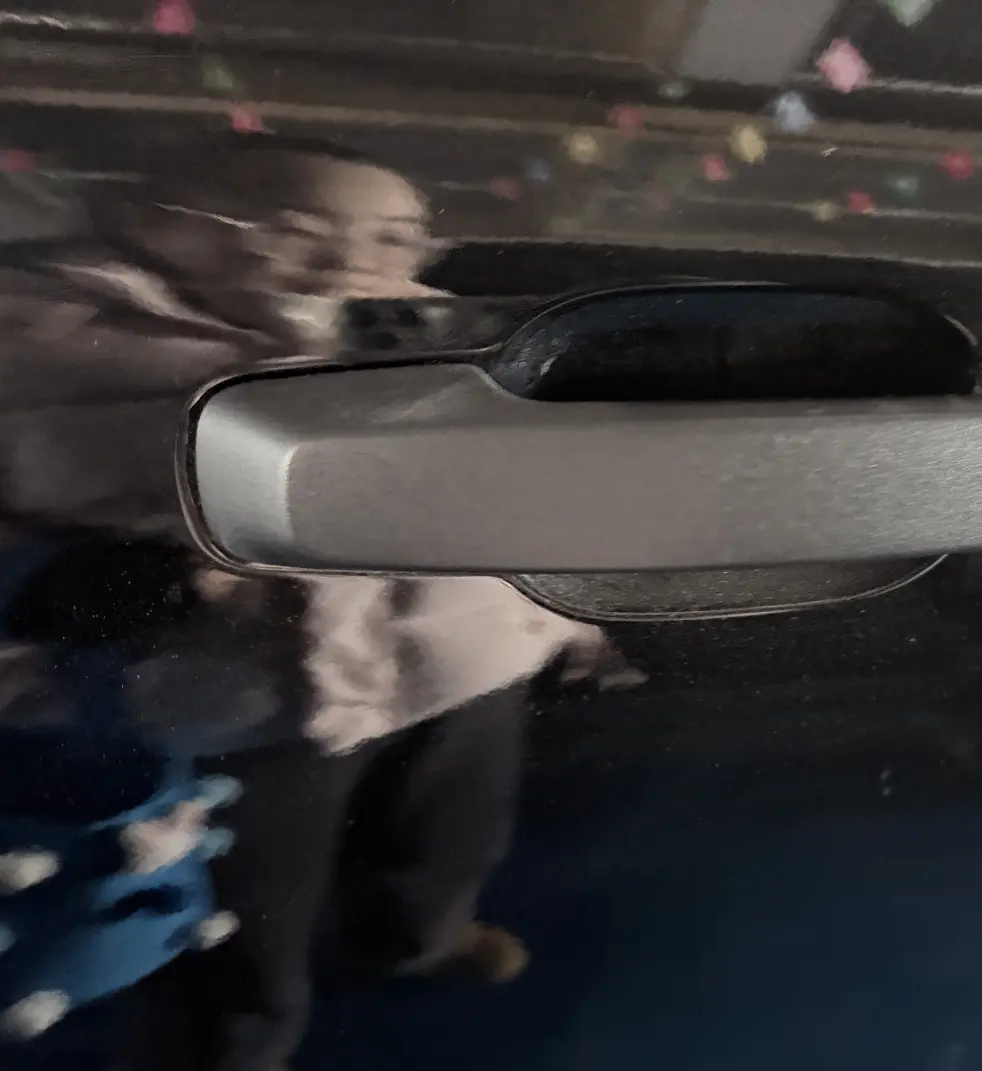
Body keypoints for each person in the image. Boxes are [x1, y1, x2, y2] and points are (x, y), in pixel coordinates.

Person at [0, 131, 642, 1071]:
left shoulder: (443, 332)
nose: (352, 261)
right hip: (243, 701)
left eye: (393, 238)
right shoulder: (53, 329)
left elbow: (519, 495)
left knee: (452, 832)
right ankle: (235, 1043)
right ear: (147, 222)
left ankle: (418, 934)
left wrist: (569, 614)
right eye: (293, 231)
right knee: (245, 911)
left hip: (462, 651)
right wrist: (97, 581)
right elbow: (76, 479)